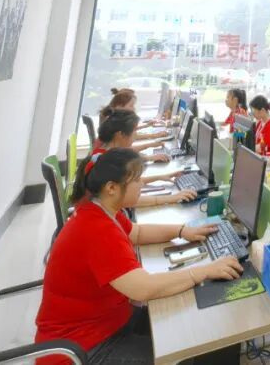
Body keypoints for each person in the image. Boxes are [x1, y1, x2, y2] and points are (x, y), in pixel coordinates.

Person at [37, 148, 241, 364]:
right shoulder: (96, 230)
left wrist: (182, 231)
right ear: (111, 188)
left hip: (107, 321)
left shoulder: (100, 211)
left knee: (199, 329)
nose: (142, 184)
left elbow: (138, 233)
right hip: (84, 350)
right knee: (188, 348)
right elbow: (143, 289)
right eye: (136, 180)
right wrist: (204, 271)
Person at [87, 110, 197, 201]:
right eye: (134, 131)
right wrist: (172, 198)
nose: (136, 136)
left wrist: (160, 177)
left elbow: (127, 183)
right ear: (120, 135)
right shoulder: (105, 162)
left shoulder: (107, 153)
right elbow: (125, 199)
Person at [98, 90, 169, 156]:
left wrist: (151, 139)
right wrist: (152, 138)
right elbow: (124, 152)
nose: (134, 109)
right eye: (131, 105)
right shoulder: (111, 120)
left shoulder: (113, 118)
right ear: (119, 106)